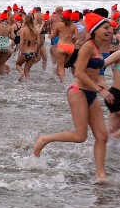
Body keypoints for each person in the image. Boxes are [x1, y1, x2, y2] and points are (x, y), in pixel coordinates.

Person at [33, 13, 113, 182]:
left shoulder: (99, 47)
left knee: (102, 136)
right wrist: (100, 90)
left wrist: (105, 86)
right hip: (78, 91)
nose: (110, 30)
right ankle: (45, 139)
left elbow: (96, 74)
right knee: (80, 136)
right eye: (106, 28)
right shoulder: (88, 47)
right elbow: (79, 73)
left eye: (110, 27)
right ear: (96, 30)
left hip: (91, 92)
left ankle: (100, 175)